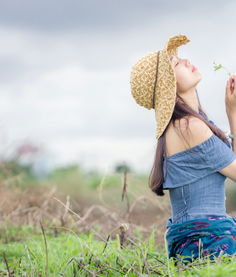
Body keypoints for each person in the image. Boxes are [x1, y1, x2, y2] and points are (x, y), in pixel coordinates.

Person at [129, 33, 236, 264]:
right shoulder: (190, 126)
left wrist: (232, 113)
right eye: (177, 63)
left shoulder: (189, 124)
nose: (187, 61)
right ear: (168, 84)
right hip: (207, 240)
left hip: (203, 236)